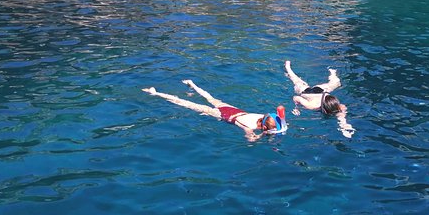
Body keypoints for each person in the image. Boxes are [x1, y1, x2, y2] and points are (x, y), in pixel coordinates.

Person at [142, 80, 283, 141]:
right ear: (264, 127)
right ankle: (156, 93)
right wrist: (262, 136)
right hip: (221, 114)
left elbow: (275, 117)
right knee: (186, 104)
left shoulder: (262, 116)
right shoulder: (249, 127)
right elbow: (250, 140)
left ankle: (192, 84)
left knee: (209, 97)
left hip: (231, 108)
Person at [284, 60, 355, 138]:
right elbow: (296, 97)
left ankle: (332, 73)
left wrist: (344, 126)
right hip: (306, 92)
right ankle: (288, 68)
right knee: (296, 80)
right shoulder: (312, 105)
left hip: (321, 90)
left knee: (337, 83)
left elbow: (341, 116)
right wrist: (296, 107)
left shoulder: (338, 105)